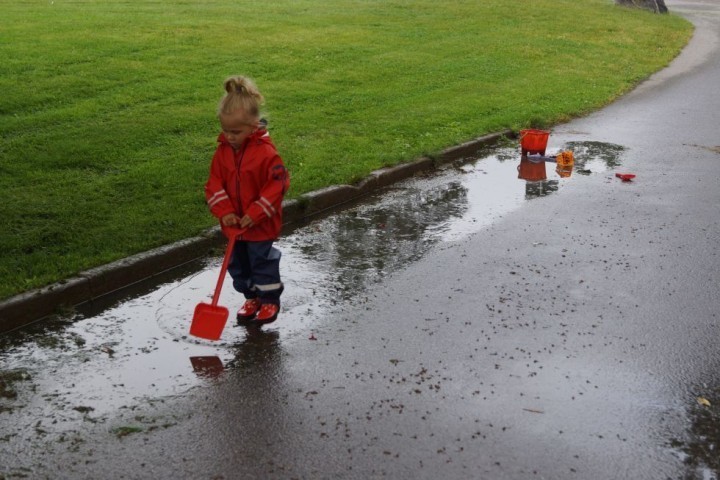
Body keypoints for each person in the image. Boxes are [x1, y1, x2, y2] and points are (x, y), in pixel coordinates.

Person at [204, 75, 290, 325]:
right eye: (225, 130)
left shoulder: (266, 153)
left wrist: (255, 213)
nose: (229, 136)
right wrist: (225, 211)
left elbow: (277, 185)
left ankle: (270, 299)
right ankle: (251, 296)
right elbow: (214, 184)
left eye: (236, 132)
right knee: (237, 265)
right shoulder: (222, 153)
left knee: (261, 262)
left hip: (259, 224)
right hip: (234, 226)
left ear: (254, 125)